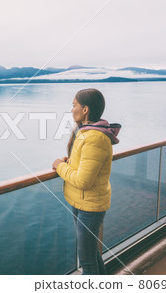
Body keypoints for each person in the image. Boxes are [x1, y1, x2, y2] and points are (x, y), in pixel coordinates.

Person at [52, 88, 121, 275]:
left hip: (89, 206)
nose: (71, 109)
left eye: (74, 105)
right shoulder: (87, 132)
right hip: (82, 202)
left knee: (88, 262)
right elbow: (85, 166)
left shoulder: (95, 137)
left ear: (85, 109)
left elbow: (84, 181)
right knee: (92, 256)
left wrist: (60, 166)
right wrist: (69, 162)